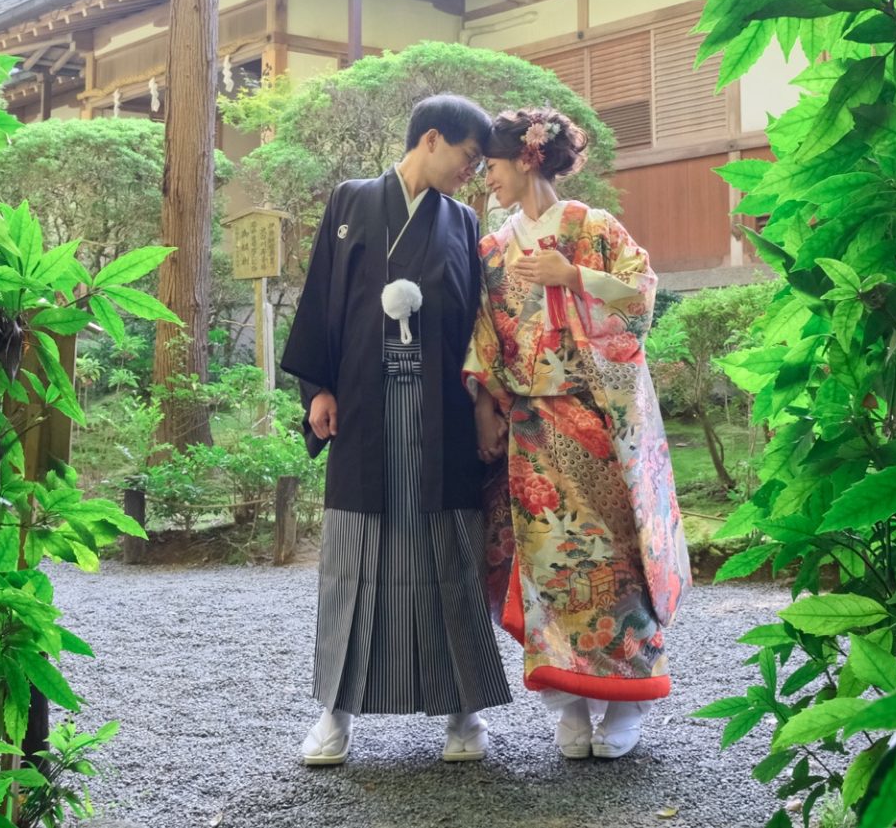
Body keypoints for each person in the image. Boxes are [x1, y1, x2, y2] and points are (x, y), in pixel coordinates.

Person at [280, 94, 513, 766]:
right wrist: (317, 386)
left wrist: (484, 403)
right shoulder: (351, 202)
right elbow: (322, 297)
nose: (473, 172)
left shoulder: (463, 223)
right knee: (356, 559)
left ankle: (462, 712)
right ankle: (335, 715)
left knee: (450, 554)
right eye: (469, 157)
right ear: (431, 139)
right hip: (362, 407)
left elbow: (479, 322)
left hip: (441, 410)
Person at [463, 107, 691, 760]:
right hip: (535, 430)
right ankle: (567, 706)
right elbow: (484, 331)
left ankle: (622, 707)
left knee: (616, 573)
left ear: (528, 159)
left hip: (601, 423)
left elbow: (641, 294)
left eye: (495, 167)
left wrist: (573, 277)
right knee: (551, 573)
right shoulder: (494, 247)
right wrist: (485, 404)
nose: (489, 182)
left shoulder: (594, 228)